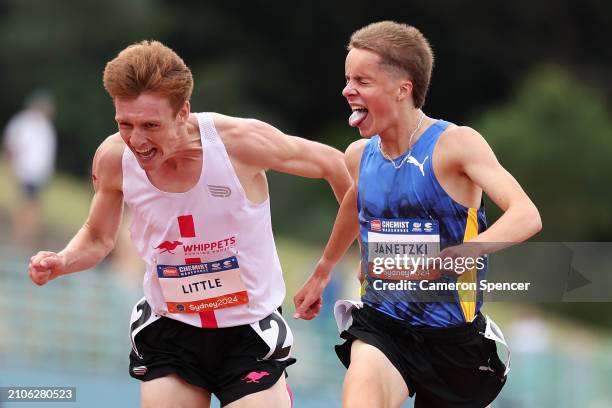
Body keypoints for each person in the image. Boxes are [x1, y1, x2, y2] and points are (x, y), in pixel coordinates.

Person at [28, 40, 351, 408]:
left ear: (183, 113)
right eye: (125, 124)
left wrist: (327, 267)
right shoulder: (114, 159)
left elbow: (335, 165)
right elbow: (98, 237)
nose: (137, 140)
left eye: (151, 125)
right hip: (171, 331)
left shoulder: (239, 143)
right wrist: (63, 260)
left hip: (248, 332)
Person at [294, 21, 542, 408]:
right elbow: (355, 202)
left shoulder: (455, 145)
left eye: (362, 80)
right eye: (347, 78)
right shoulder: (359, 156)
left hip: (453, 340)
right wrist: (325, 269)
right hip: (383, 325)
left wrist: (458, 256)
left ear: (402, 89)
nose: (347, 90)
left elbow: (526, 214)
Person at [3, 90, 57, 247]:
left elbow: (46, 153)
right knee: (26, 204)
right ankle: (20, 235)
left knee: (32, 206)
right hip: (24, 171)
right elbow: (12, 145)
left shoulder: (46, 128)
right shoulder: (22, 123)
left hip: (38, 174)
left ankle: (26, 236)